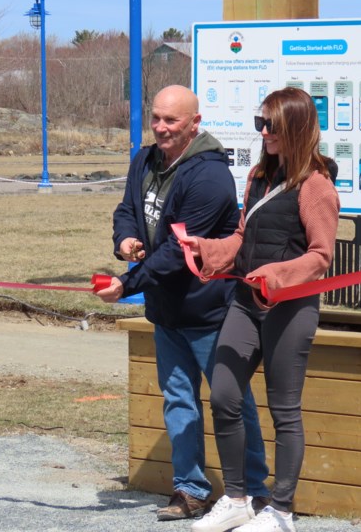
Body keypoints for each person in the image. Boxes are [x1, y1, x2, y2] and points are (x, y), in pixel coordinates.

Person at [94, 85, 271, 523]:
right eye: (156, 118)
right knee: (178, 400)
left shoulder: (210, 177)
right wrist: (126, 240)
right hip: (166, 310)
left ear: (195, 123)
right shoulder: (145, 159)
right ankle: (190, 489)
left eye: (171, 121)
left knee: (231, 402)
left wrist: (125, 283)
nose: (160, 127)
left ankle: (253, 491)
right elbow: (127, 209)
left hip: (210, 311)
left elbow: (178, 254)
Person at [180, 87, 340, 532]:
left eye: (270, 124)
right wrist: (206, 251)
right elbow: (241, 239)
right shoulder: (257, 178)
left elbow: (321, 256)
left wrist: (278, 275)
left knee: (284, 409)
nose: (263, 132)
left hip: (291, 309)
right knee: (225, 394)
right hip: (245, 305)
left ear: (296, 127)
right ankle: (236, 499)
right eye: (259, 123)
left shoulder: (316, 186)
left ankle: (282, 511)